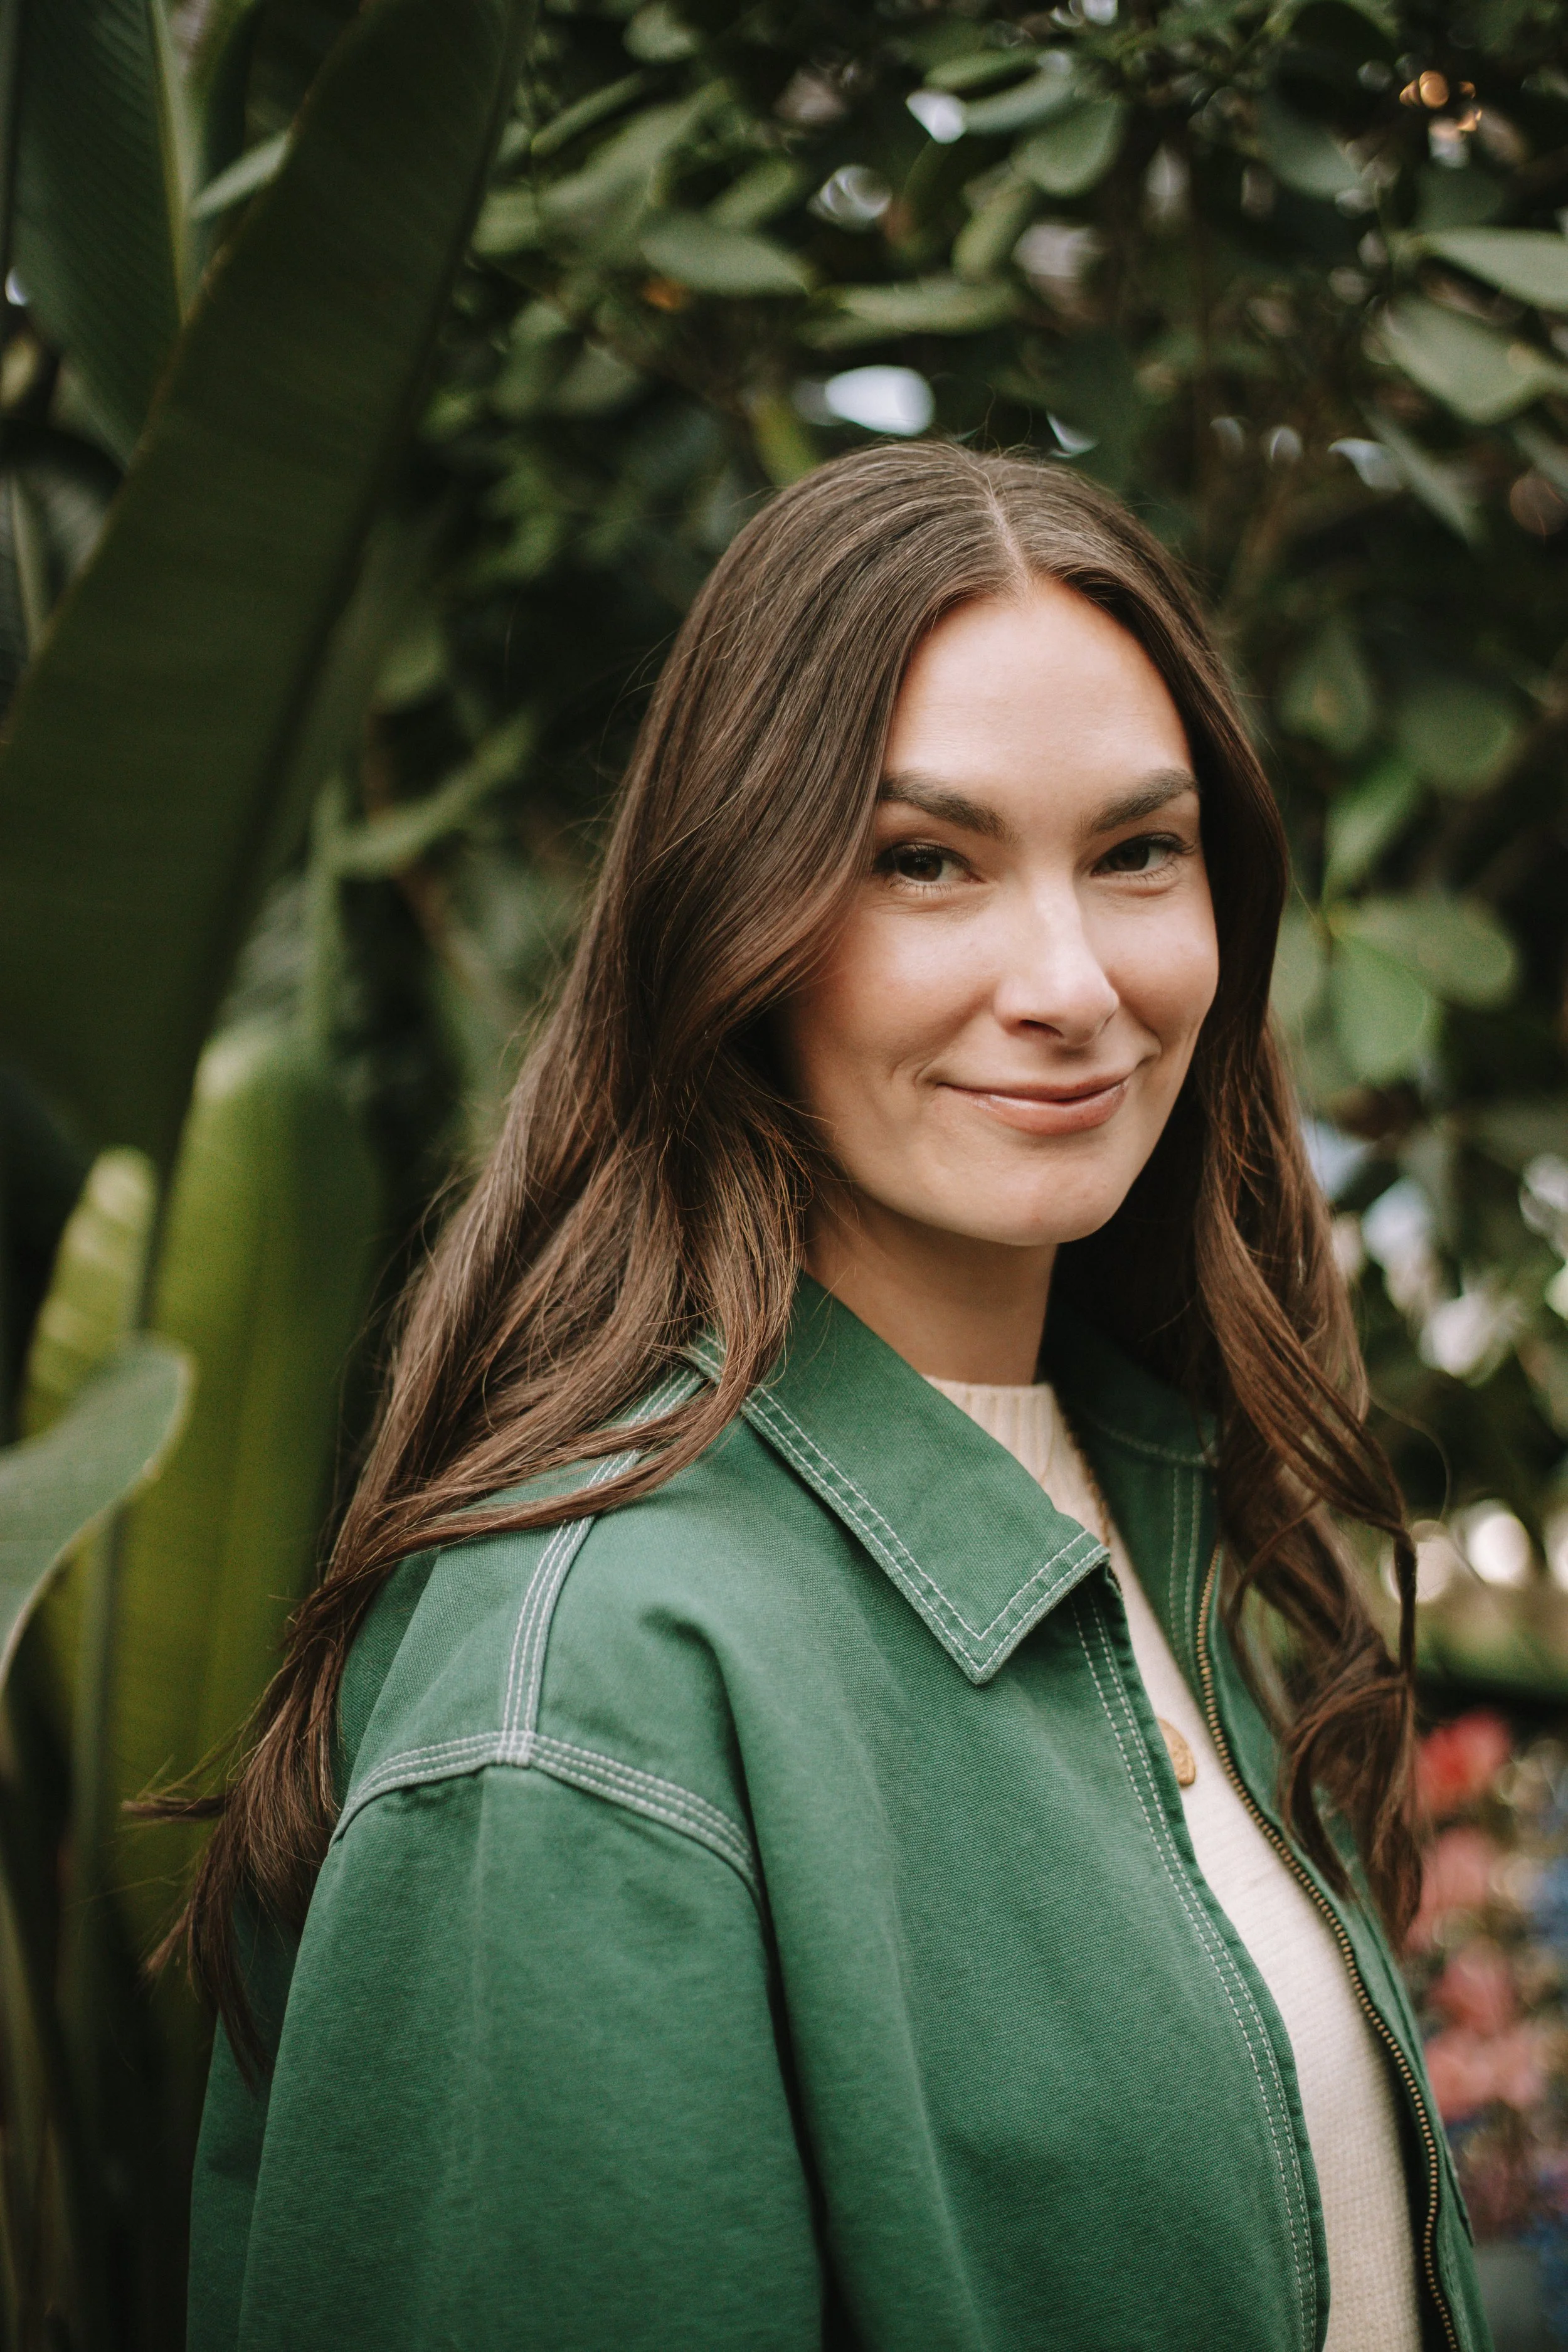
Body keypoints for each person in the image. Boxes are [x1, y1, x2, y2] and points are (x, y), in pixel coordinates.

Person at [183, 443, 1487, 2351]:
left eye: (1137, 850)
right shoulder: (597, 1679)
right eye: (924, 860)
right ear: (741, 922)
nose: (1067, 981)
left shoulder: (1165, 1519)